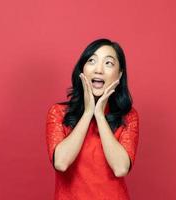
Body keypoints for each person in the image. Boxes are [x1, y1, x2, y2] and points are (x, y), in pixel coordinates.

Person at [45, 38, 139, 200]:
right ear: (82, 69)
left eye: (108, 63)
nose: (99, 70)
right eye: (92, 61)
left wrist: (100, 115)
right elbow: (61, 163)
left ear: (120, 74)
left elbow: (120, 168)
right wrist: (88, 113)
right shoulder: (59, 113)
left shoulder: (128, 117)